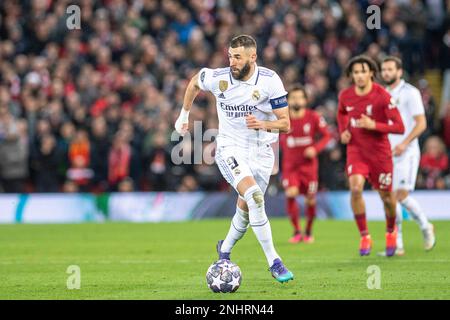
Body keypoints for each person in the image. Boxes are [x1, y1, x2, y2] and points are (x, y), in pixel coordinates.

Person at [174, 35, 294, 282]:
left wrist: (261, 123)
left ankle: (225, 249)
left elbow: (286, 123)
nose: (232, 61)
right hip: (230, 148)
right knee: (254, 197)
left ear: (253, 57)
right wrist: (183, 115)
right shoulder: (219, 78)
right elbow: (195, 82)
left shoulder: (270, 81)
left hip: (261, 152)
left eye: (237, 57)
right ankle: (274, 261)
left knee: (247, 210)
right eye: (230, 56)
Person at [337, 55, 405, 257]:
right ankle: (365, 236)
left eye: (363, 71)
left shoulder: (382, 96)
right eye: (355, 72)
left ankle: (391, 231)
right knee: (356, 190)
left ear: (371, 73)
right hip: (356, 150)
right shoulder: (345, 96)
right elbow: (341, 113)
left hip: (379, 154)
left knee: (386, 197)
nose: (359, 76)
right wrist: (343, 130)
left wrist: (374, 125)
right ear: (351, 75)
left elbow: (400, 127)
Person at [381, 56, 436, 256]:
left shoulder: (410, 93)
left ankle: (425, 226)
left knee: (400, 195)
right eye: (383, 70)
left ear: (399, 71)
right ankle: (398, 244)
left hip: (407, 152)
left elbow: (421, 123)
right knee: (390, 199)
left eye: (389, 69)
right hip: (387, 153)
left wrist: (404, 143)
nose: (386, 73)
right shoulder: (382, 94)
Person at [280, 85, 331, 244]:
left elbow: (326, 136)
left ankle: (308, 231)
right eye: (292, 97)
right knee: (291, 193)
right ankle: (296, 231)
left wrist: (315, 149)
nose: (295, 100)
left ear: (305, 100)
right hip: (290, 167)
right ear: (288, 100)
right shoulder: (283, 118)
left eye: (299, 97)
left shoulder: (313, 117)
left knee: (310, 200)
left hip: (309, 167)